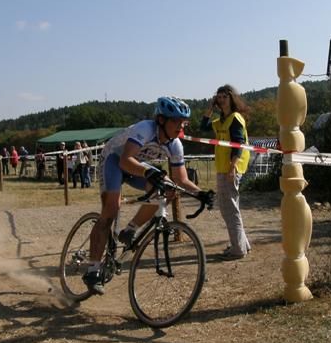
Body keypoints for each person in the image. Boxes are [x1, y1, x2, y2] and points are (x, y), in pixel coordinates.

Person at [82, 96, 214, 295]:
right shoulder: (145, 129)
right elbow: (125, 160)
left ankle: (130, 229)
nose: (180, 126)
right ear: (161, 120)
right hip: (114, 160)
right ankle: (92, 270)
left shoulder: (175, 144)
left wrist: (200, 193)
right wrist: (147, 172)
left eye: (183, 122)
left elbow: (181, 179)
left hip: (136, 166)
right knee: (110, 211)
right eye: (176, 121)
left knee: (168, 188)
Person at [200, 84, 251, 260]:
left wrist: (232, 168)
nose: (221, 100)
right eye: (219, 97)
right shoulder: (221, 121)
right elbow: (203, 126)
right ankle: (242, 244)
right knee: (230, 208)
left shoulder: (235, 118)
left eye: (224, 97)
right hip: (223, 168)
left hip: (231, 169)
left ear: (231, 98)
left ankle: (238, 249)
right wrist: (210, 108)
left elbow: (238, 145)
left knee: (229, 209)